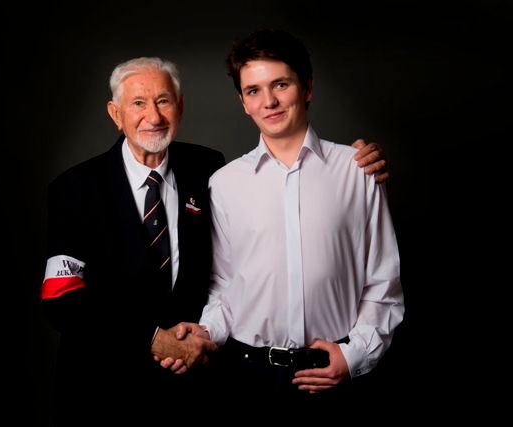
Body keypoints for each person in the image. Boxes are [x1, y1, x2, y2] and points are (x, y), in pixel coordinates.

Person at [40, 56, 389, 423]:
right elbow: (61, 299)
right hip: (102, 391)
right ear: (115, 113)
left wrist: (351, 167)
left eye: (163, 101)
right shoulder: (74, 188)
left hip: (194, 393)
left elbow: (261, 229)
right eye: (138, 103)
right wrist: (151, 338)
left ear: (180, 107)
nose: (153, 116)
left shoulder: (207, 168)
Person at [164, 29, 404, 406]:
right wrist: (205, 332)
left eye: (281, 84)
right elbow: (225, 287)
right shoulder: (224, 184)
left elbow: (382, 282)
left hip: (334, 372)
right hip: (247, 379)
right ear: (243, 102)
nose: (269, 101)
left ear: (307, 87)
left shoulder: (358, 170)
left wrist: (355, 355)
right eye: (253, 91)